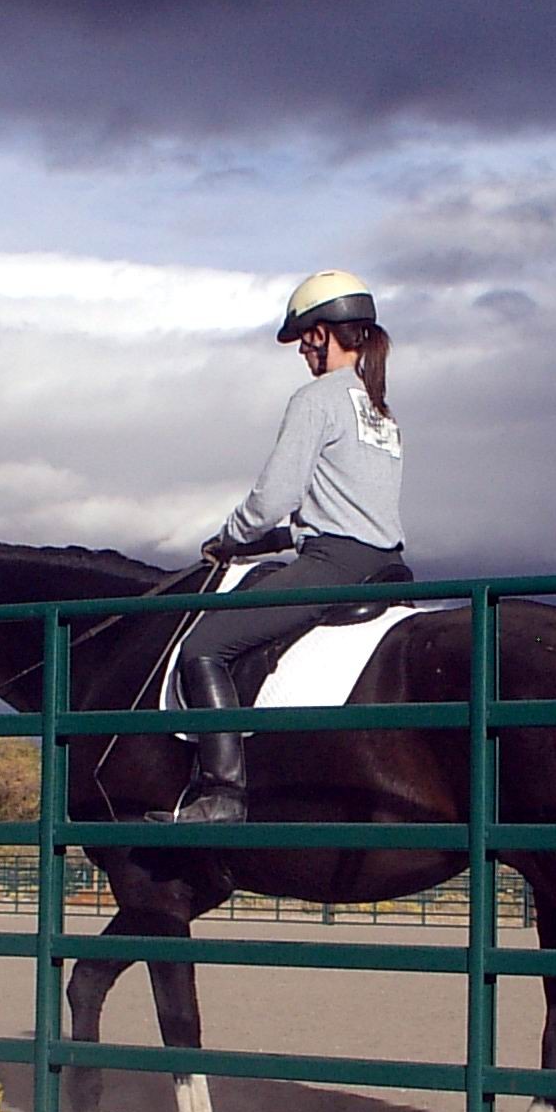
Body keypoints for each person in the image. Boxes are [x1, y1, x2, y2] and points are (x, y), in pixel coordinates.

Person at [153, 270, 407, 823]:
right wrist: (278, 539)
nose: (302, 353)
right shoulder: (378, 410)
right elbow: (345, 506)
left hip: (333, 566)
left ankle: (221, 793)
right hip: (383, 564)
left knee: (204, 646)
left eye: (302, 341)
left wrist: (233, 536)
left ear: (320, 334)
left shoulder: (316, 398)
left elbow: (273, 497)